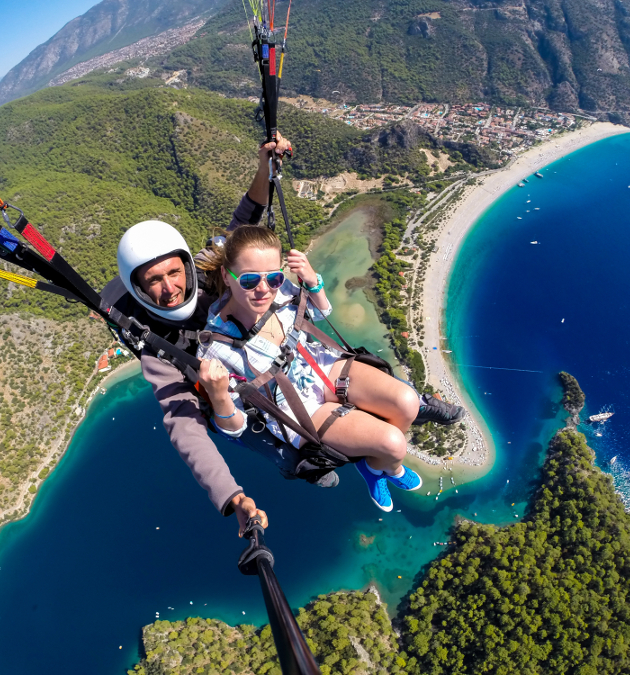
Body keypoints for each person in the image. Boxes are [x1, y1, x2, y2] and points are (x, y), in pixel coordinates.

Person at [107, 137, 466, 531]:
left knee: (402, 402)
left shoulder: (226, 280)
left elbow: (246, 228)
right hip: (256, 393)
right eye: (153, 281)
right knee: (362, 448)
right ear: (138, 288)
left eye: (174, 272)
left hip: (307, 366)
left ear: (191, 267)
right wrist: (233, 496)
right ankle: (337, 458)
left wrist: (266, 169)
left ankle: (395, 420)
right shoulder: (161, 350)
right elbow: (186, 429)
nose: (169, 288)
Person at [195, 226, 430, 512]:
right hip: (298, 407)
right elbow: (235, 429)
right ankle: (382, 467)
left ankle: (380, 465)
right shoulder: (216, 348)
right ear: (226, 276)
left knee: (407, 402)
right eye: (249, 280)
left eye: (273, 277)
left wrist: (311, 281)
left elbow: (319, 313)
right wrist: (218, 395)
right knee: (393, 444)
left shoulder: (281, 291)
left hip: (324, 365)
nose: (263, 289)